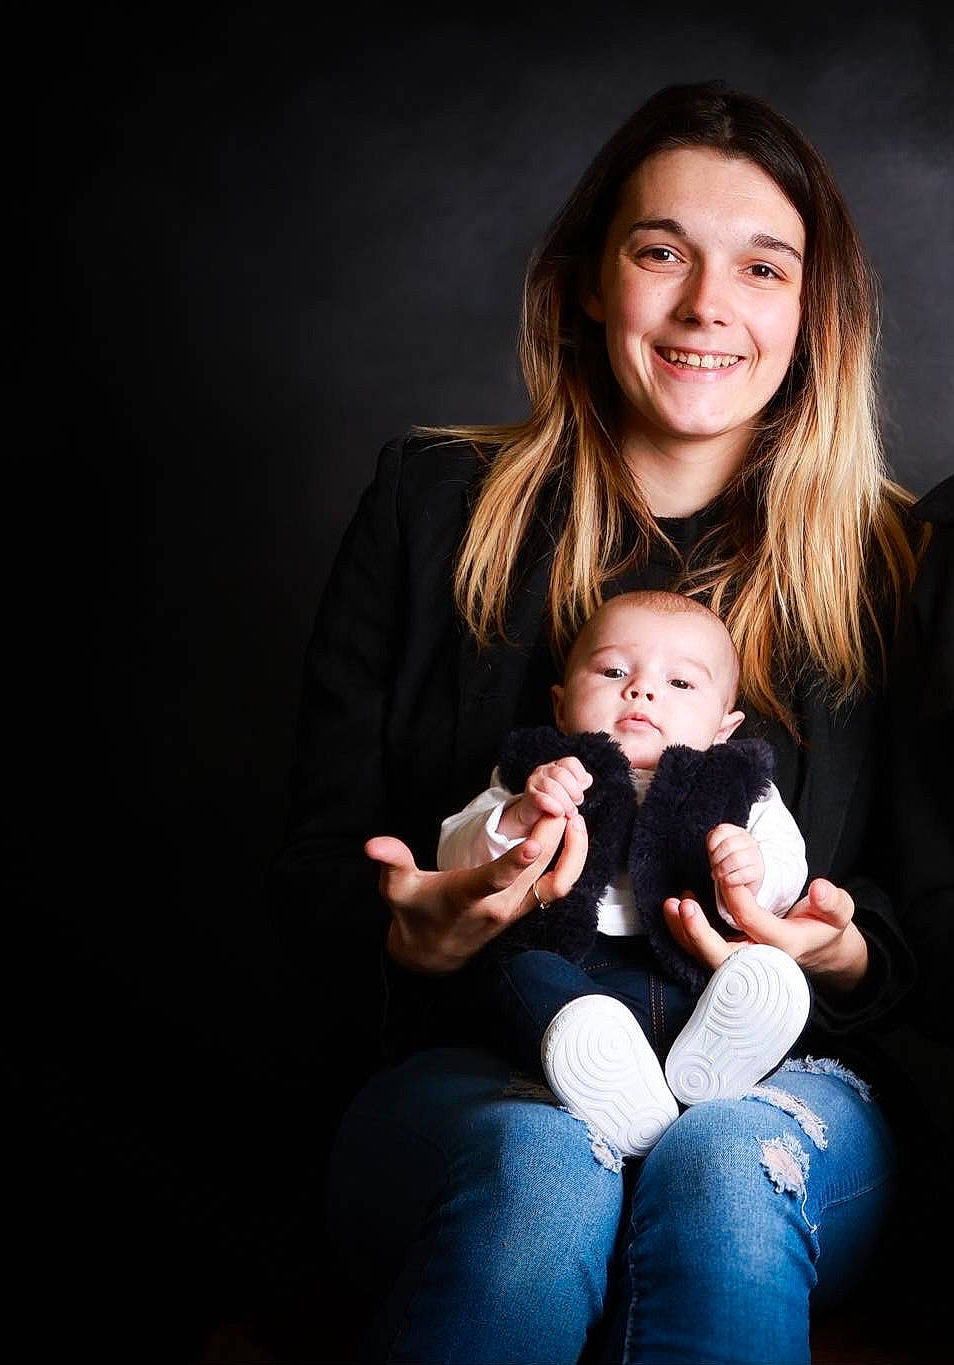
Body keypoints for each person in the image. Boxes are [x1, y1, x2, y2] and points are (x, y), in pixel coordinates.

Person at [275, 79, 935, 1364]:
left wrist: (842, 953)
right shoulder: (429, 509)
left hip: (779, 1093)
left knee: (727, 1165)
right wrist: (411, 933)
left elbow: (933, 928)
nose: (708, 306)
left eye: (763, 267)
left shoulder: (896, 566)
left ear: (813, 312)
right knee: (541, 1167)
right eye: (661, 253)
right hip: (482, 1076)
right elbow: (313, 871)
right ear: (588, 280)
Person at [436, 588, 811, 1153]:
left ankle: (712, 1064)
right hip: (572, 967)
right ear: (561, 706)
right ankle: (601, 1069)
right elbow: (453, 855)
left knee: (746, 980)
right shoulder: (540, 773)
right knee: (524, 974)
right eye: (613, 671)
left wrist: (752, 874)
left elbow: (788, 863)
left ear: (723, 728)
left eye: (680, 682)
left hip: (689, 971)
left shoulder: (738, 785)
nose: (642, 690)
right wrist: (516, 816)